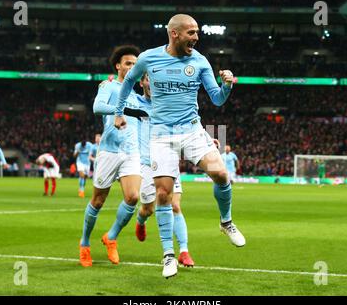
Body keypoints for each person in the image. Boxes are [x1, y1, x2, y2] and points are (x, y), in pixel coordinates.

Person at [114, 14, 246, 278]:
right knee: (163, 194)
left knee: (221, 173)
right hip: (161, 134)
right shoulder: (149, 58)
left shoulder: (199, 61)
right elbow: (128, 82)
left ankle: (226, 222)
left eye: (197, 32)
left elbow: (217, 100)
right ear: (175, 34)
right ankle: (168, 255)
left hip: (192, 130)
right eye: (191, 33)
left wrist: (227, 85)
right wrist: (118, 112)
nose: (196, 37)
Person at [79, 45, 148, 268]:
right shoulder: (109, 86)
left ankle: (111, 237)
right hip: (109, 151)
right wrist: (123, 112)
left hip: (132, 153)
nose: (132, 67)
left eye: (135, 64)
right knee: (98, 201)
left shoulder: (138, 97)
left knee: (133, 197)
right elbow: (97, 107)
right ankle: (85, 243)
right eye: (128, 63)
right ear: (118, 66)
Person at [135, 73, 195, 267]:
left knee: (175, 205)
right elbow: (114, 99)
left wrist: (207, 140)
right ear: (141, 82)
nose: (151, 83)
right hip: (146, 163)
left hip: (168, 159)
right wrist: (110, 84)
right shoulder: (135, 102)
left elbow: (189, 123)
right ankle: (141, 220)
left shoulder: (170, 104)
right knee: (148, 209)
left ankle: (184, 251)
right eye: (147, 79)